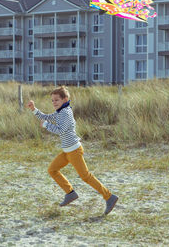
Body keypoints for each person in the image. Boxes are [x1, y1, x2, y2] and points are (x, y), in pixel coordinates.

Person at [27, 86, 118, 215]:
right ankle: (70, 193)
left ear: (65, 99)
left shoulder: (66, 113)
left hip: (74, 151)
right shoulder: (59, 112)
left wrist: (46, 125)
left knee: (86, 176)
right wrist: (34, 109)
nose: (54, 103)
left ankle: (109, 197)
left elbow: (60, 130)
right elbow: (46, 117)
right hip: (66, 152)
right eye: (52, 100)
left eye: (56, 100)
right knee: (52, 170)